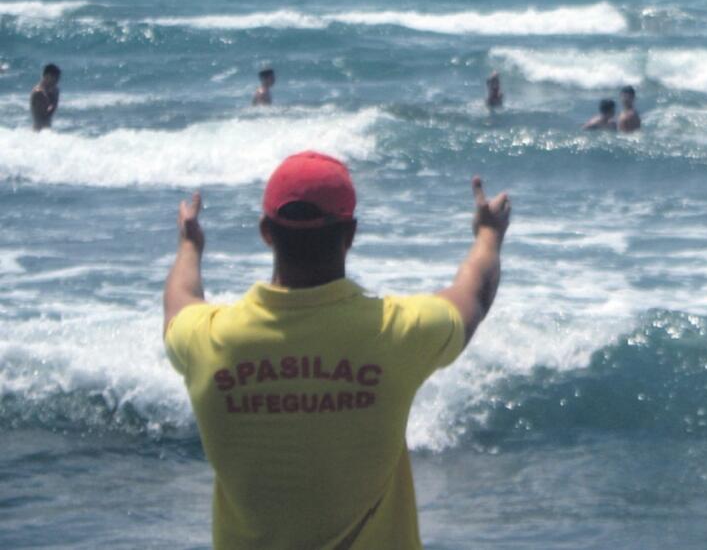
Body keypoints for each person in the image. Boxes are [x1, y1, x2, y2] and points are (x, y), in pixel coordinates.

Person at [162, 151, 511, 548]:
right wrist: (488, 234)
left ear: (266, 232)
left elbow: (179, 300)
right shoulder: (396, 332)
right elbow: (473, 297)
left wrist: (190, 244)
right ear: (350, 235)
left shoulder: (206, 339)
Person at [30, 64, 60, 131]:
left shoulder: (54, 90)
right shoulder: (38, 93)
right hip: (38, 133)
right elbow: (45, 115)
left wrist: (54, 100)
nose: (57, 81)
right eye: (55, 78)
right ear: (47, 76)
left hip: (46, 133)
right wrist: (54, 100)